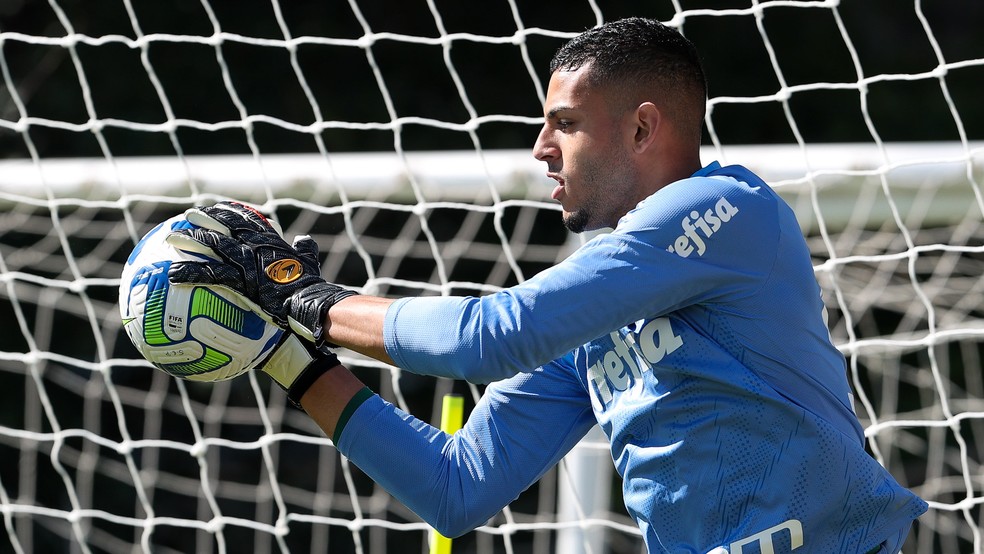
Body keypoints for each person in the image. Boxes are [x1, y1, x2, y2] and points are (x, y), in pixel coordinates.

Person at [165, 17, 928, 553]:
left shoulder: (724, 209)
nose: (540, 150)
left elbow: (488, 339)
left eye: (565, 124)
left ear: (641, 129)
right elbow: (456, 487)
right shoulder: (596, 304)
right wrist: (282, 352)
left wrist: (311, 302)